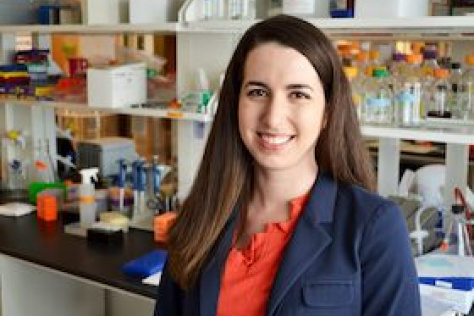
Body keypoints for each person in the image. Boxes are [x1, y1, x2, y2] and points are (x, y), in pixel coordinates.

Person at [155, 14, 421, 316]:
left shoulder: (374, 227)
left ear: (327, 113)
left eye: (298, 94)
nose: (273, 117)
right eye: (257, 92)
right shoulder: (202, 216)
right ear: (234, 103)